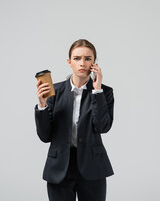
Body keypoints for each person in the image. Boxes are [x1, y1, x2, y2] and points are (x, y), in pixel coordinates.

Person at [34, 39, 114, 201]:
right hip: (60, 168)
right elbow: (45, 136)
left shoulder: (104, 92)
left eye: (88, 58)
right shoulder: (54, 91)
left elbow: (102, 127)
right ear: (69, 62)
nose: (82, 63)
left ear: (94, 62)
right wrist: (42, 105)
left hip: (92, 166)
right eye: (77, 58)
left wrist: (97, 91)